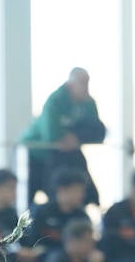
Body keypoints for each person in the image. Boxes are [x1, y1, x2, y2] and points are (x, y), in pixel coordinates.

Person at [20, 67, 105, 205]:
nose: (86, 88)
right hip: (36, 153)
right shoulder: (55, 100)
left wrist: (77, 137)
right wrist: (68, 137)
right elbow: (52, 136)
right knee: (29, 196)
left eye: (87, 83)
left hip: (63, 156)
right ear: (70, 84)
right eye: (82, 83)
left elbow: (98, 131)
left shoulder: (88, 103)